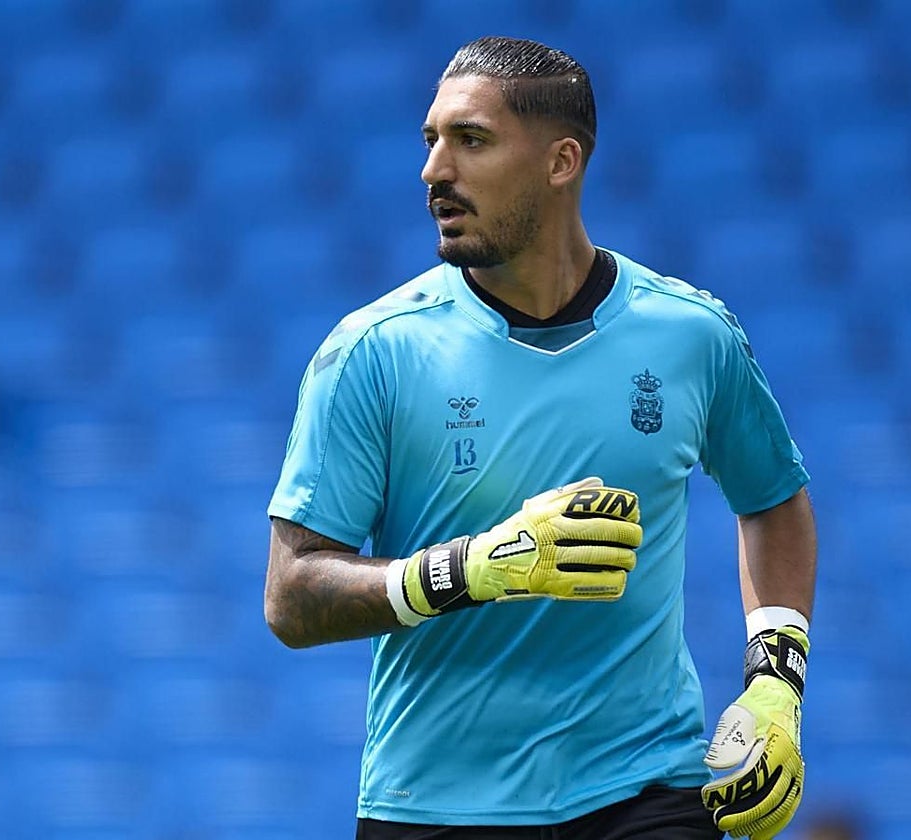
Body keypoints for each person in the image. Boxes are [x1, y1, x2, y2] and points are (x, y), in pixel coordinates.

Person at [265, 36, 816, 840]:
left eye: (471, 140)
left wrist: (775, 685)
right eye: (430, 141)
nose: (434, 172)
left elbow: (773, 500)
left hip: (647, 790)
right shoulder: (372, 351)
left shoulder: (691, 334)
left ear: (562, 162)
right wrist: (468, 571)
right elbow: (291, 597)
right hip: (438, 804)